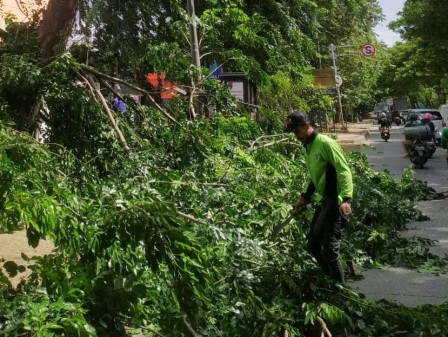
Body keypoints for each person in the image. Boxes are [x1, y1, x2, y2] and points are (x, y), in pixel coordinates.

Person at [284, 110, 353, 283]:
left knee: (329, 247)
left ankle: (341, 290)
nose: (295, 136)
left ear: (307, 126)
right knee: (313, 244)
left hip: (336, 201)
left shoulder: (325, 143)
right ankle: (330, 280)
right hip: (324, 200)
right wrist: (304, 197)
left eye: (297, 131)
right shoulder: (308, 146)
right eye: (293, 133)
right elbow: (315, 176)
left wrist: (346, 199)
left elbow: (343, 170)